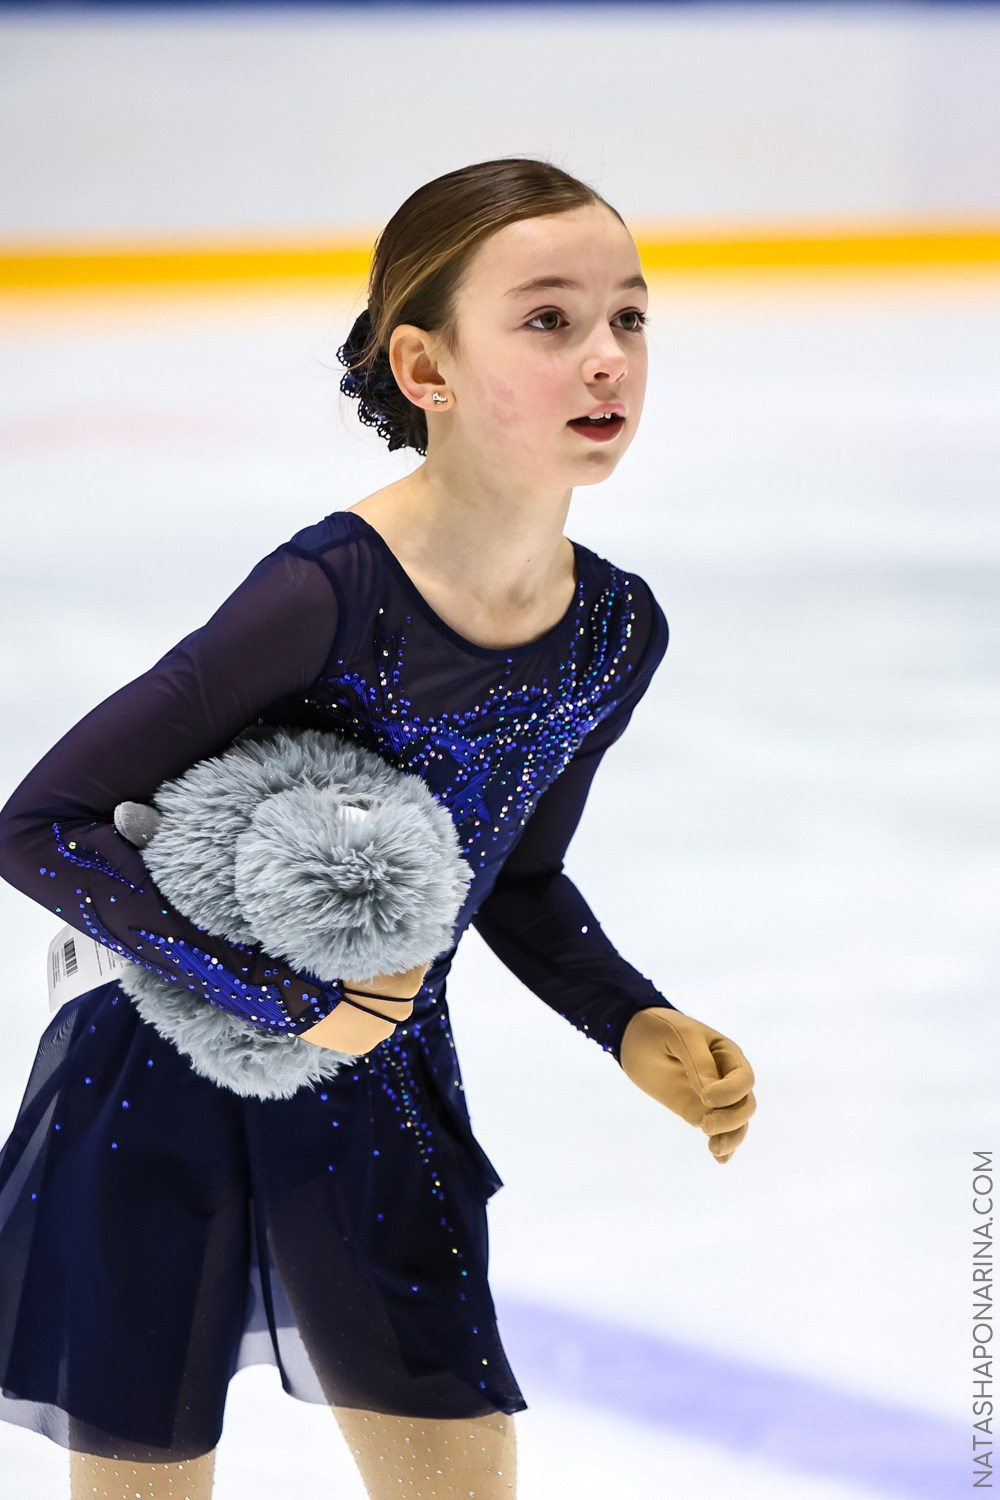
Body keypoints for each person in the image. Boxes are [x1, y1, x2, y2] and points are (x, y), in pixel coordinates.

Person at [0, 156, 756, 1500]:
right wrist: (281, 996)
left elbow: (515, 883)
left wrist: (632, 1024)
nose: (607, 360)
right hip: (166, 1079)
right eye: (550, 320)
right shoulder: (325, 593)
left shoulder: (611, 633)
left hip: (385, 1086)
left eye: (630, 319)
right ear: (426, 367)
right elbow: (43, 826)